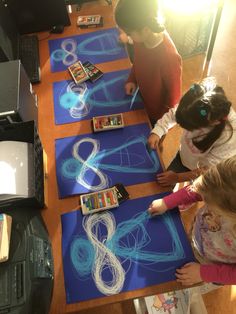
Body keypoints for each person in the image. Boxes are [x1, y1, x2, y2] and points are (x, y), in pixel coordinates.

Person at [148, 156, 236, 312]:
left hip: (214, 265)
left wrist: (204, 273)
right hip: (198, 240)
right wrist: (168, 202)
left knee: (191, 283)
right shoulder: (222, 184)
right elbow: (197, 190)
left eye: (211, 205)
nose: (205, 203)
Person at [148, 78, 236, 186]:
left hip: (205, 176)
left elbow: (207, 170)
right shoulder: (196, 101)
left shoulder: (229, 136)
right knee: (164, 184)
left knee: (192, 193)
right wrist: (158, 131)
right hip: (183, 158)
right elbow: (173, 115)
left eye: (191, 128)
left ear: (214, 122)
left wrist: (178, 177)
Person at [114, 0, 182, 126]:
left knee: (152, 143)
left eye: (129, 33)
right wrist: (132, 79)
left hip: (158, 117)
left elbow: (174, 102)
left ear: (145, 29)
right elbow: (138, 61)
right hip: (142, 101)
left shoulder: (169, 58)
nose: (128, 36)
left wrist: (160, 129)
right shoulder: (141, 38)